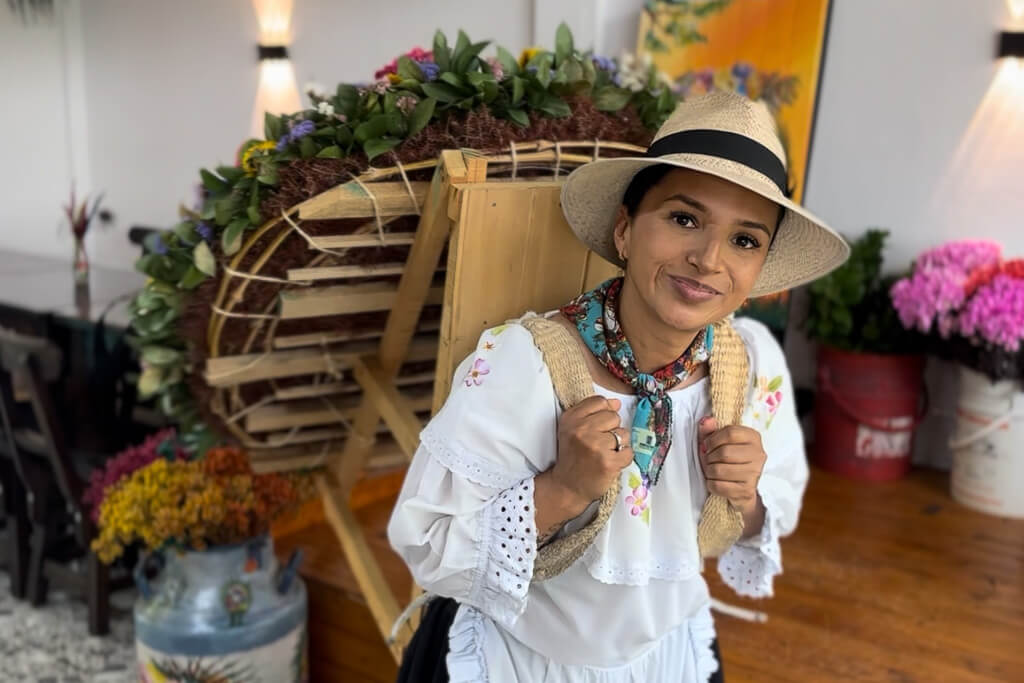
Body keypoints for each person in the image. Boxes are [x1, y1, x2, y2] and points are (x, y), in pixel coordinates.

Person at [388, 90, 849, 682]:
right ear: (626, 230)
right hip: (520, 660)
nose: (710, 259)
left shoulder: (751, 363)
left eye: (744, 240)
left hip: (664, 658)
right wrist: (561, 489)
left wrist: (748, 495)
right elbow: (429, 545)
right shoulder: (525, 365)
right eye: (684, 219)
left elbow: (763, 522)